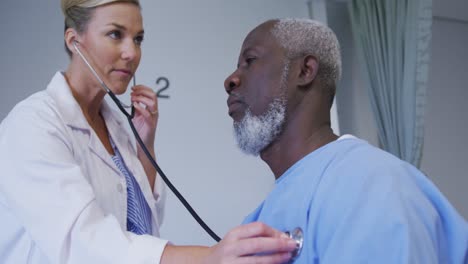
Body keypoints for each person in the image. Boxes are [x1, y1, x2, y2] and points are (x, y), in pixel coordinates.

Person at [0, 1, 298, 263]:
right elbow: (83, 242)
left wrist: (145, 147)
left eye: (138, 39)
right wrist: (208, 258)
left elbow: (142, 223)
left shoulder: (117, 125)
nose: (132, 53)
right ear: (74, 40)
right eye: (115, 34)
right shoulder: (33, 125)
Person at [224, 18, 468, 263]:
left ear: (305, 70)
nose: (230, 80)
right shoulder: (259, 220)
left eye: (250, 61)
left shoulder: (372, 183)